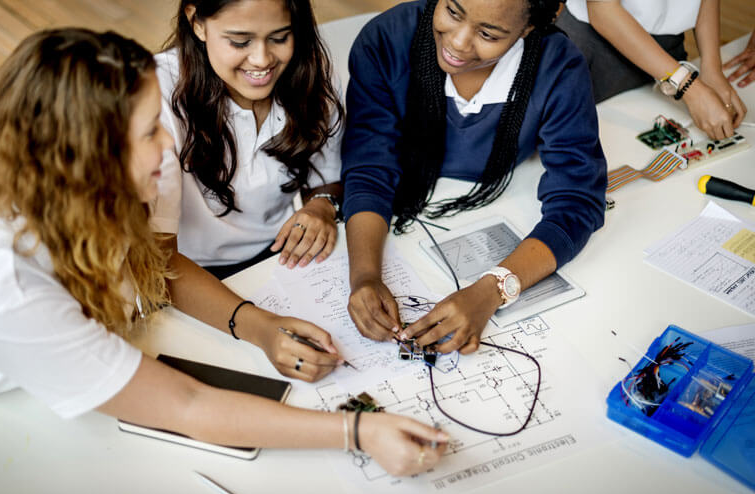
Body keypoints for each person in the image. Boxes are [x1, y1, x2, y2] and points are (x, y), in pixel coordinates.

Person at [0, 28, 446, 477]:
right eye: (150, 131)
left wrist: (260, 325)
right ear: (84, 155)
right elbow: (185, 404)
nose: (169, 145)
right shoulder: (10, 286)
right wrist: (359, 431)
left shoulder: (96, 186)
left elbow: (158, 259)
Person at [342, 0, 606, 352]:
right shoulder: (386, 40)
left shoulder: (558, 66)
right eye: (452, 11)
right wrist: (364, 276)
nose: (459, 43)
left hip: (503, 201)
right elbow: (369, 166)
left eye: (487, 34)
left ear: (528, 29)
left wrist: (491, 290)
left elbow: (578, 200)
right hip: (405, 214)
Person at [150, 0, 348, 383]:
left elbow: (328, 174)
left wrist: (322, 206)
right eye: (239, 41)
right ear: (197, 22)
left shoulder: (312, 71)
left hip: (278, 259)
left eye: (279, 37)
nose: (262, 60)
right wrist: (259, 328)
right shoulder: (157, 97)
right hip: (188, 277)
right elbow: (160, 261)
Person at [558, 0, 747, 140]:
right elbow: (601, 9)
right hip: (594, 50)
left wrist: (712, 68)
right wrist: (689, 86)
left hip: (666, 52)